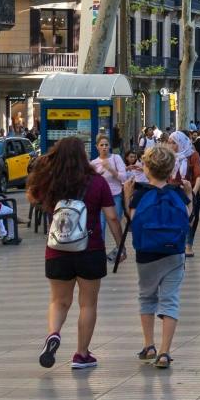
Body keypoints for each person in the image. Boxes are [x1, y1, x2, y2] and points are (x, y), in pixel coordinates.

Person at [28, 136, 121, 371]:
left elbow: (31, 196)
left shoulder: (50, 180)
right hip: (90, 249)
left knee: (59, 301)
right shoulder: (97, 182)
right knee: (87, 304)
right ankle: (81, 354)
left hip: (57, 250)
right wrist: (120, 245)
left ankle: (53, 334)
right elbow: (111, 216)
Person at [125, 144, 190, 370]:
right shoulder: (178, 193)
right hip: (174, 253)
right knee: (170, 299)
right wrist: (190, 194)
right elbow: (188, 218)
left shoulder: (141, 194)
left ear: (146, 169)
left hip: (147, 254)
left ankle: (148, 345)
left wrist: (126, 197)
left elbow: (133, 221)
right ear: (171, 169)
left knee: (147, 297)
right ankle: (165, 352)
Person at [92, 133, 129, 217]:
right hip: (100, 197)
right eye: (101, 145)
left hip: (115, 195)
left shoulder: (116, 158)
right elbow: (91, 182)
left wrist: (110, 169)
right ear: (97, 147)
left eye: (106, 145)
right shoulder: (94, 163)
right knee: (101, 223)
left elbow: (124, 178)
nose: (104, 147)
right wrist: (97, 176)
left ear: (109, 146)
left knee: (115, 220)